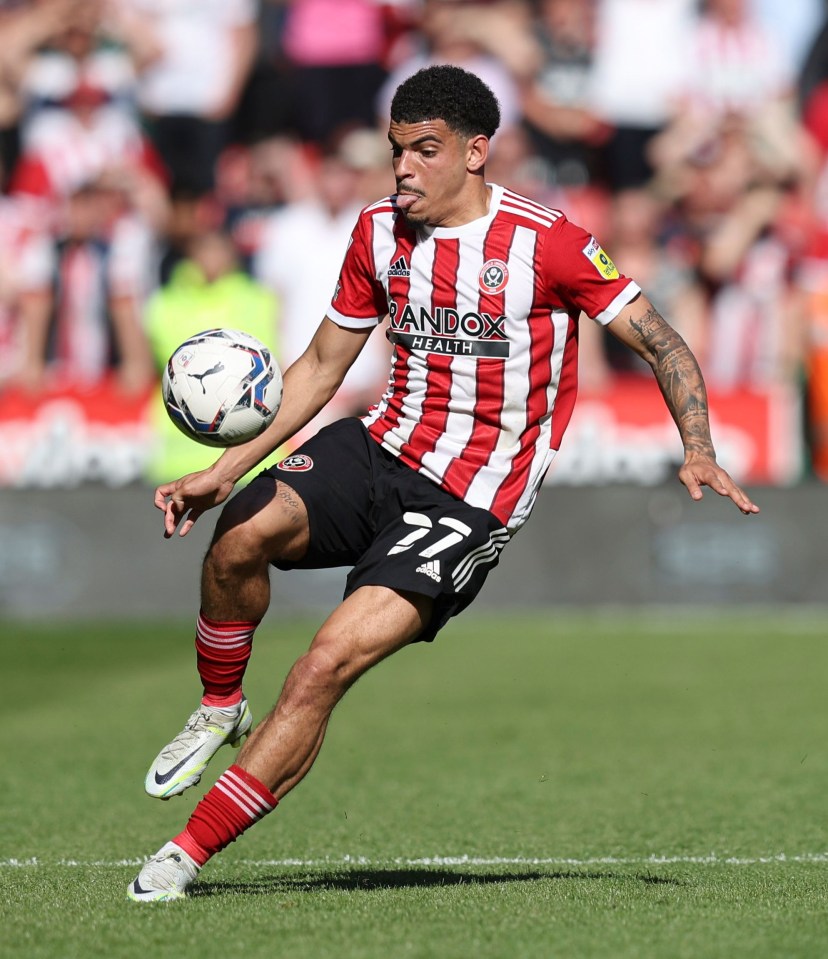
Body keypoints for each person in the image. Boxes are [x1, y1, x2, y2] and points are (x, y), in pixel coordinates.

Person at [128, 64, 759, 902]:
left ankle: (187, 852)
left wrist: (698, 443)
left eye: (424, 150)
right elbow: (319, 367)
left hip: (469, 500)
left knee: (324, 664)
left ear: (475, 152)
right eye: (397, 150)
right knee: (240, 528)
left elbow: (662, 340)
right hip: (381, 448)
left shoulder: (550, 243)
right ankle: (217, 705)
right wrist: (223, 467)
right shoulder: (378, 233)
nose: (403, 169)